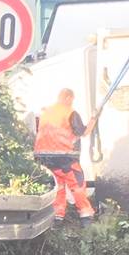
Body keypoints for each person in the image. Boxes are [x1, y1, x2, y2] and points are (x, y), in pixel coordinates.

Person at [34, 89, 96, 220]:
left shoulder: (46, 112)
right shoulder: (70, 112)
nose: (72, 103)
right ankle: (86, 215)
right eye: (72, 100)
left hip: (44, 157)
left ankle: (57, 215)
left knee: (58, 185)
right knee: (77, 185)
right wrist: (93, 120)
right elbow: (82, 132)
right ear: (68, 98)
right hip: (65, 157)